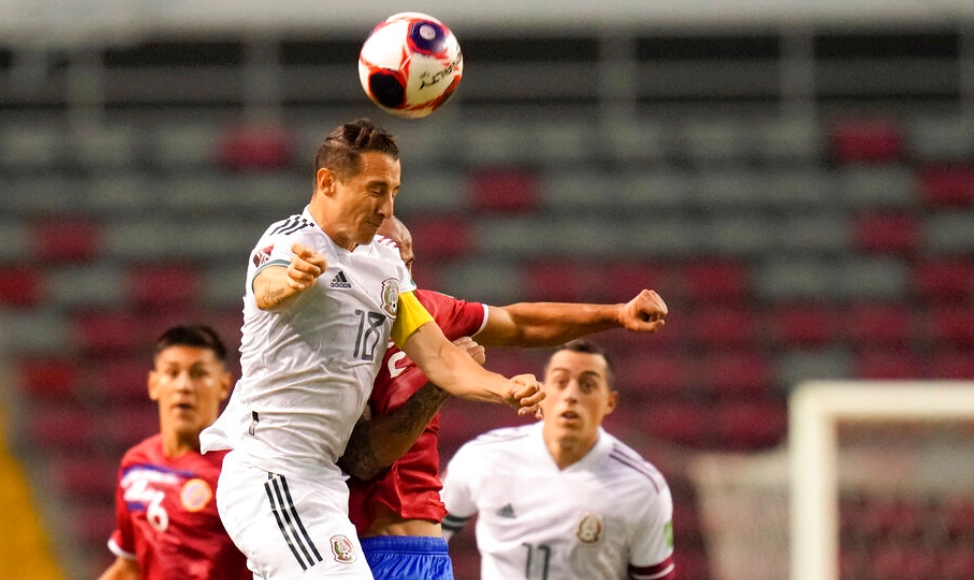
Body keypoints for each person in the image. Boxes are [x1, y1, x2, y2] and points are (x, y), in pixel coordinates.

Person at [199, 118, 545, 580]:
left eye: (394, 192)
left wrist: (503, 388)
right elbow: (267, 286)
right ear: (328, 181)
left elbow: (438, 355)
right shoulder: (290, 239)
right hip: (271, 472)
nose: (387, 208)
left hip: (323, 481)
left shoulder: (384, 264)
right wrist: (293, 281)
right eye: (376, 190)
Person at [340, 216, 669, 580]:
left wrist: (617, 313)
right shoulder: (332, 330)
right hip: (344, 543)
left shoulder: (428, 311)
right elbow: (363, 459)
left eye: (409, 261)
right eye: (393, 257)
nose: (404, 273)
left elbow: (518, 323)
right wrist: (441, 382)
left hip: (417, 550)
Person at [441, 340, 676, 580]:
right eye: (560, 382)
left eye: (587, 385)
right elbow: (426, 534)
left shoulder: (642, 487)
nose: (571, 395)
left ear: (610, 402)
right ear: (543, 392)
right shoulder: (483, 457)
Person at [100, 324, 251, 580]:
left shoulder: (241, 470)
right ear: (153, 384)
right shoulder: (136, 465)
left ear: (224, 385)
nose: (184, 386)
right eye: (172, 373)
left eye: (199, 373)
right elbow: (129, 568)